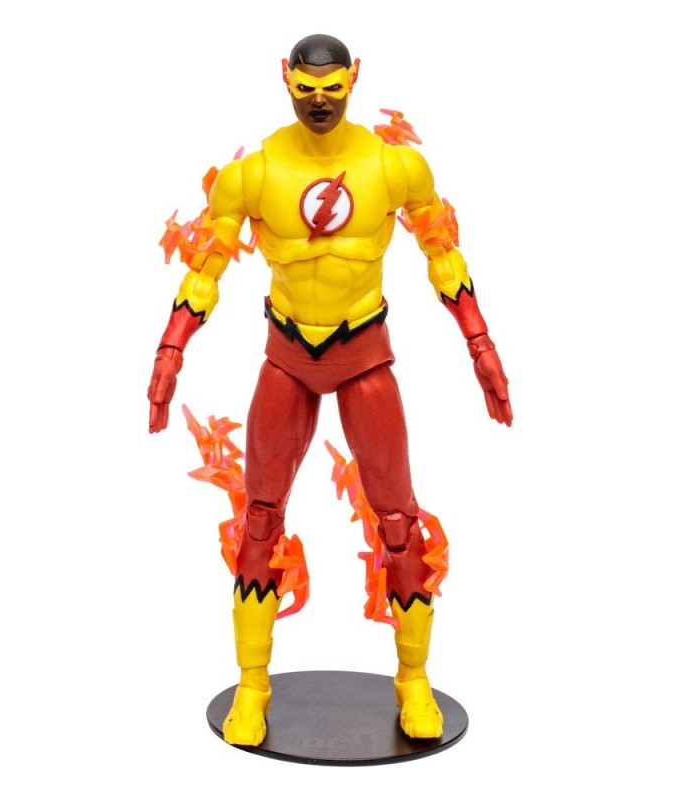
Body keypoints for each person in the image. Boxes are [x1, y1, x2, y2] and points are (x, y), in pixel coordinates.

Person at [148, 33, 512, 747]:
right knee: (259, 519)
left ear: (355, 79)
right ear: (285, 79)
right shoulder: (252, 174)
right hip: (287, 355)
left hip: (364, 353)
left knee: (399, 522)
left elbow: (443, 252)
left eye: (333, 88)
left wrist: (480, 344)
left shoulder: (393, 166)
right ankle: (253, 684)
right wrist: (171, 347)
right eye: (308, 89)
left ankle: (414, 679)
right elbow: (205, 267)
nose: (320, 102)